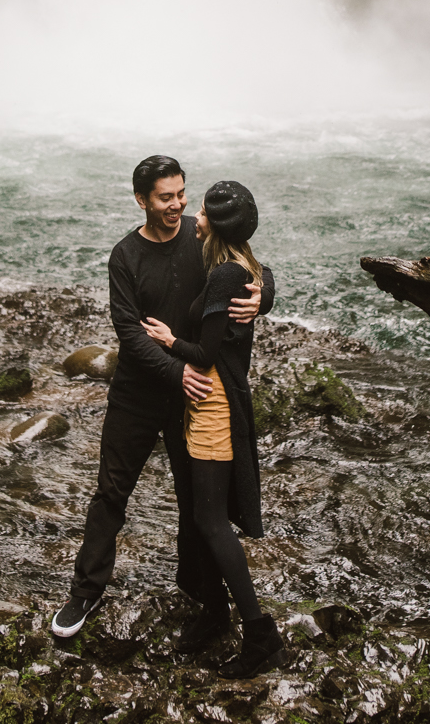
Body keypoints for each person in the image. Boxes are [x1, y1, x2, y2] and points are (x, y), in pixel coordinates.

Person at [52, 155, 265, 644]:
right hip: (141, 391)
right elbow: (129, 332)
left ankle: (198, 590)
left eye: (181, 194)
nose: (178, 205)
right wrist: (178, 370)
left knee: (197, 504)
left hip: (192, 396)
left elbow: (251, 267)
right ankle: (86, 590)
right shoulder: (125, 256)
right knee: (111, 492)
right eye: (166, 197)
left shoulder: (201, 234)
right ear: (141, 200)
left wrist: (263, 295)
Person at [140, 179, 283, 677]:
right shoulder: (238, 264)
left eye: (199, 209)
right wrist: (265, 292)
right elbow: (261, 277)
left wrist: (168, 338)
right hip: (212, 398)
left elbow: (206, 354)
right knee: (206, 517)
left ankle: (260, 631)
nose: (193, 215)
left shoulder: (225, 275)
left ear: (215, 223)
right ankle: (216, 613)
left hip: (214, 403)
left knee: (210, 520)